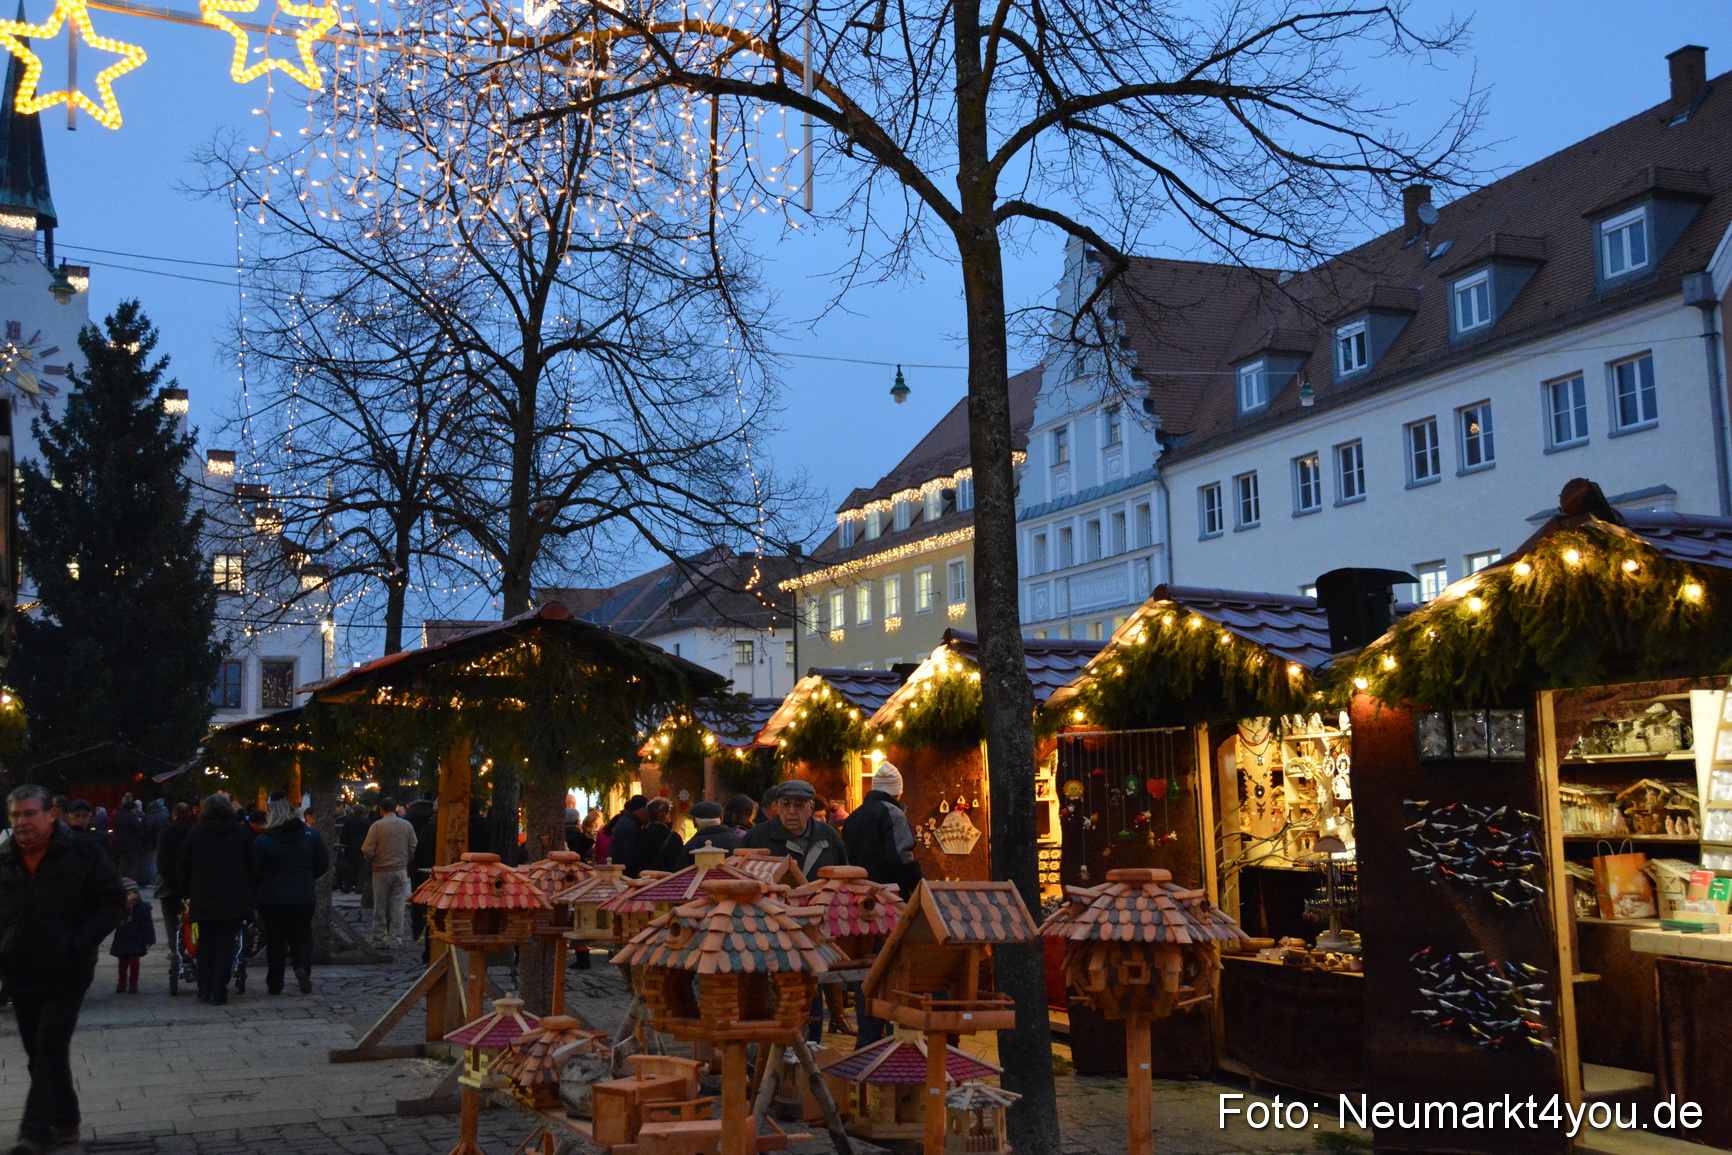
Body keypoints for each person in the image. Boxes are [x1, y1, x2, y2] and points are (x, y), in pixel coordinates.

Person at [0, 784, 126, 1153]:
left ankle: (34, 1132)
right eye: (15, 815)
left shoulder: (82, 851)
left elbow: (113, 900)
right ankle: (66, 1121)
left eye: (29, 814)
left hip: (67, 968)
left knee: (50, 1047)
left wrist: (79, 943)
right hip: (21, 968)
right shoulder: (5, 857)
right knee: (38, 1053)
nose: (22, 822)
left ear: (51, 813)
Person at [840, 761, 921, 1046]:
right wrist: (916, 889)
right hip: (889, 906)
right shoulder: (893, 814)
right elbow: (900, 857)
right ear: (897, 792)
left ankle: (867, 1040)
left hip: (857, 907)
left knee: (868, 973)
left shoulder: (854, 817)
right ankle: (896, 1041)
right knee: (894, 973)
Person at [178, 794, 256, 1005]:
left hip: (204, 895)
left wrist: (186, 891)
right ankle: (219, 989)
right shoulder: (241, 833)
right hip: (232, 897)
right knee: (225, 944)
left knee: (205, 943)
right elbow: (252, 865)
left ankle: (204, 988)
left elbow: (185, 865)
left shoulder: (196, 834)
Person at [251, 798, 330, 995]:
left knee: (275, 940)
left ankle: (275, 982)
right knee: (302, 936)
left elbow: (255, 870)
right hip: (303, 896)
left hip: (272, 898)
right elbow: (322, 863)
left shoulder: (263, 840)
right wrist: (307, 877)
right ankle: (302, 967)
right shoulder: (310, 835)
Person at [741, 780, 848, 876]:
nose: (791, 811)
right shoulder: (757, 837)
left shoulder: (828, 836)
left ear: (811, 808)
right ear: (777, 807)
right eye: (786, 804)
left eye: (798, 805)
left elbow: (843, 877)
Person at [361, 797, 416, 949]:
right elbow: (413, 846)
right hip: (400, 869)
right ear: (396, 807)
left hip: (381, 870)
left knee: (380, 905)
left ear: (381, 809)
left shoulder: (377, 826)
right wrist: (406, 860)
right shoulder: (406, 825)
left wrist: (372, 859)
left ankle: (379, 938)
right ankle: (395, 939)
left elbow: (367, 849)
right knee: (398, 906)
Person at [154, 802, 196, 946]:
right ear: (189, 814)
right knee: (191, 917)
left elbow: (162, 861)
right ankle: (192, 945)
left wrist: (169, 880)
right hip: (192, 883)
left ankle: (176, 949)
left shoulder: (166, 832)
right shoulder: (196, 831)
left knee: (170, 918)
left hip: (169, 884)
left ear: (174, 815)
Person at [109, 878, 155, 994]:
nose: (132, 896)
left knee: (134, 961)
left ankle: (133, 981)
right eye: (129, 894)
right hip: (122, 938)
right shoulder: (119, 909)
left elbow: (147, 924)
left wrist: (150, 939)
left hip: (137, 939)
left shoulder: (142, 908)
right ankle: (122, 981)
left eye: (134, 893)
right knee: (122, 962)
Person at [631, 799, 686, 876]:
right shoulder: (674, 837)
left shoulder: (639, 834)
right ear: (665, 815)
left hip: (646, 880)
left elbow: (633, 860)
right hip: (668, 880)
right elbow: (678, 862)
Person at [606, 796, 649, 875]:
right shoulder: (631, 826)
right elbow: (629, 854)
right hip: (624, 871)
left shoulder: (624, 820)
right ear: (640, 810)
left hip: (618, 867)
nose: (646, 814)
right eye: (645, 810)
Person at [109, 800, 147, 884]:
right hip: (132, 845)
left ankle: (120, 883)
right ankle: (130, 884)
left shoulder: (118, 815)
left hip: (120, 845)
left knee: (122, 865)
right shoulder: (131, 816)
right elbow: (139, 828)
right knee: (132, 866)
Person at [336, 805, 371, 893]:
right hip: (362, 846)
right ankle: (360, 887)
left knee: (349, 866)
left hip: (350, 846)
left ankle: (347, 886)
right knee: (362, 867)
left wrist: (343, 843)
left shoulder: (349, 821)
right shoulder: (366, 822)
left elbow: (344, 833)